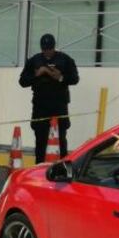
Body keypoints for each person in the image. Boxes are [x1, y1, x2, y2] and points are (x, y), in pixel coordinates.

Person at [19, 34, 79, 163]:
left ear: (54, 47)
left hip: (59, 108)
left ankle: (63, 172)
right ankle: (39, 171)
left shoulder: (65, 59)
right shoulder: (34, 61)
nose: (48, 52)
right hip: (40, 108)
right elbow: (22, 82)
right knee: (40, 143)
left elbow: (75, 79)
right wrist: (37, 74)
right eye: (45, 49)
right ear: (41, 48)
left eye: (50, 48)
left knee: (61, 142)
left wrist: (61, 77)